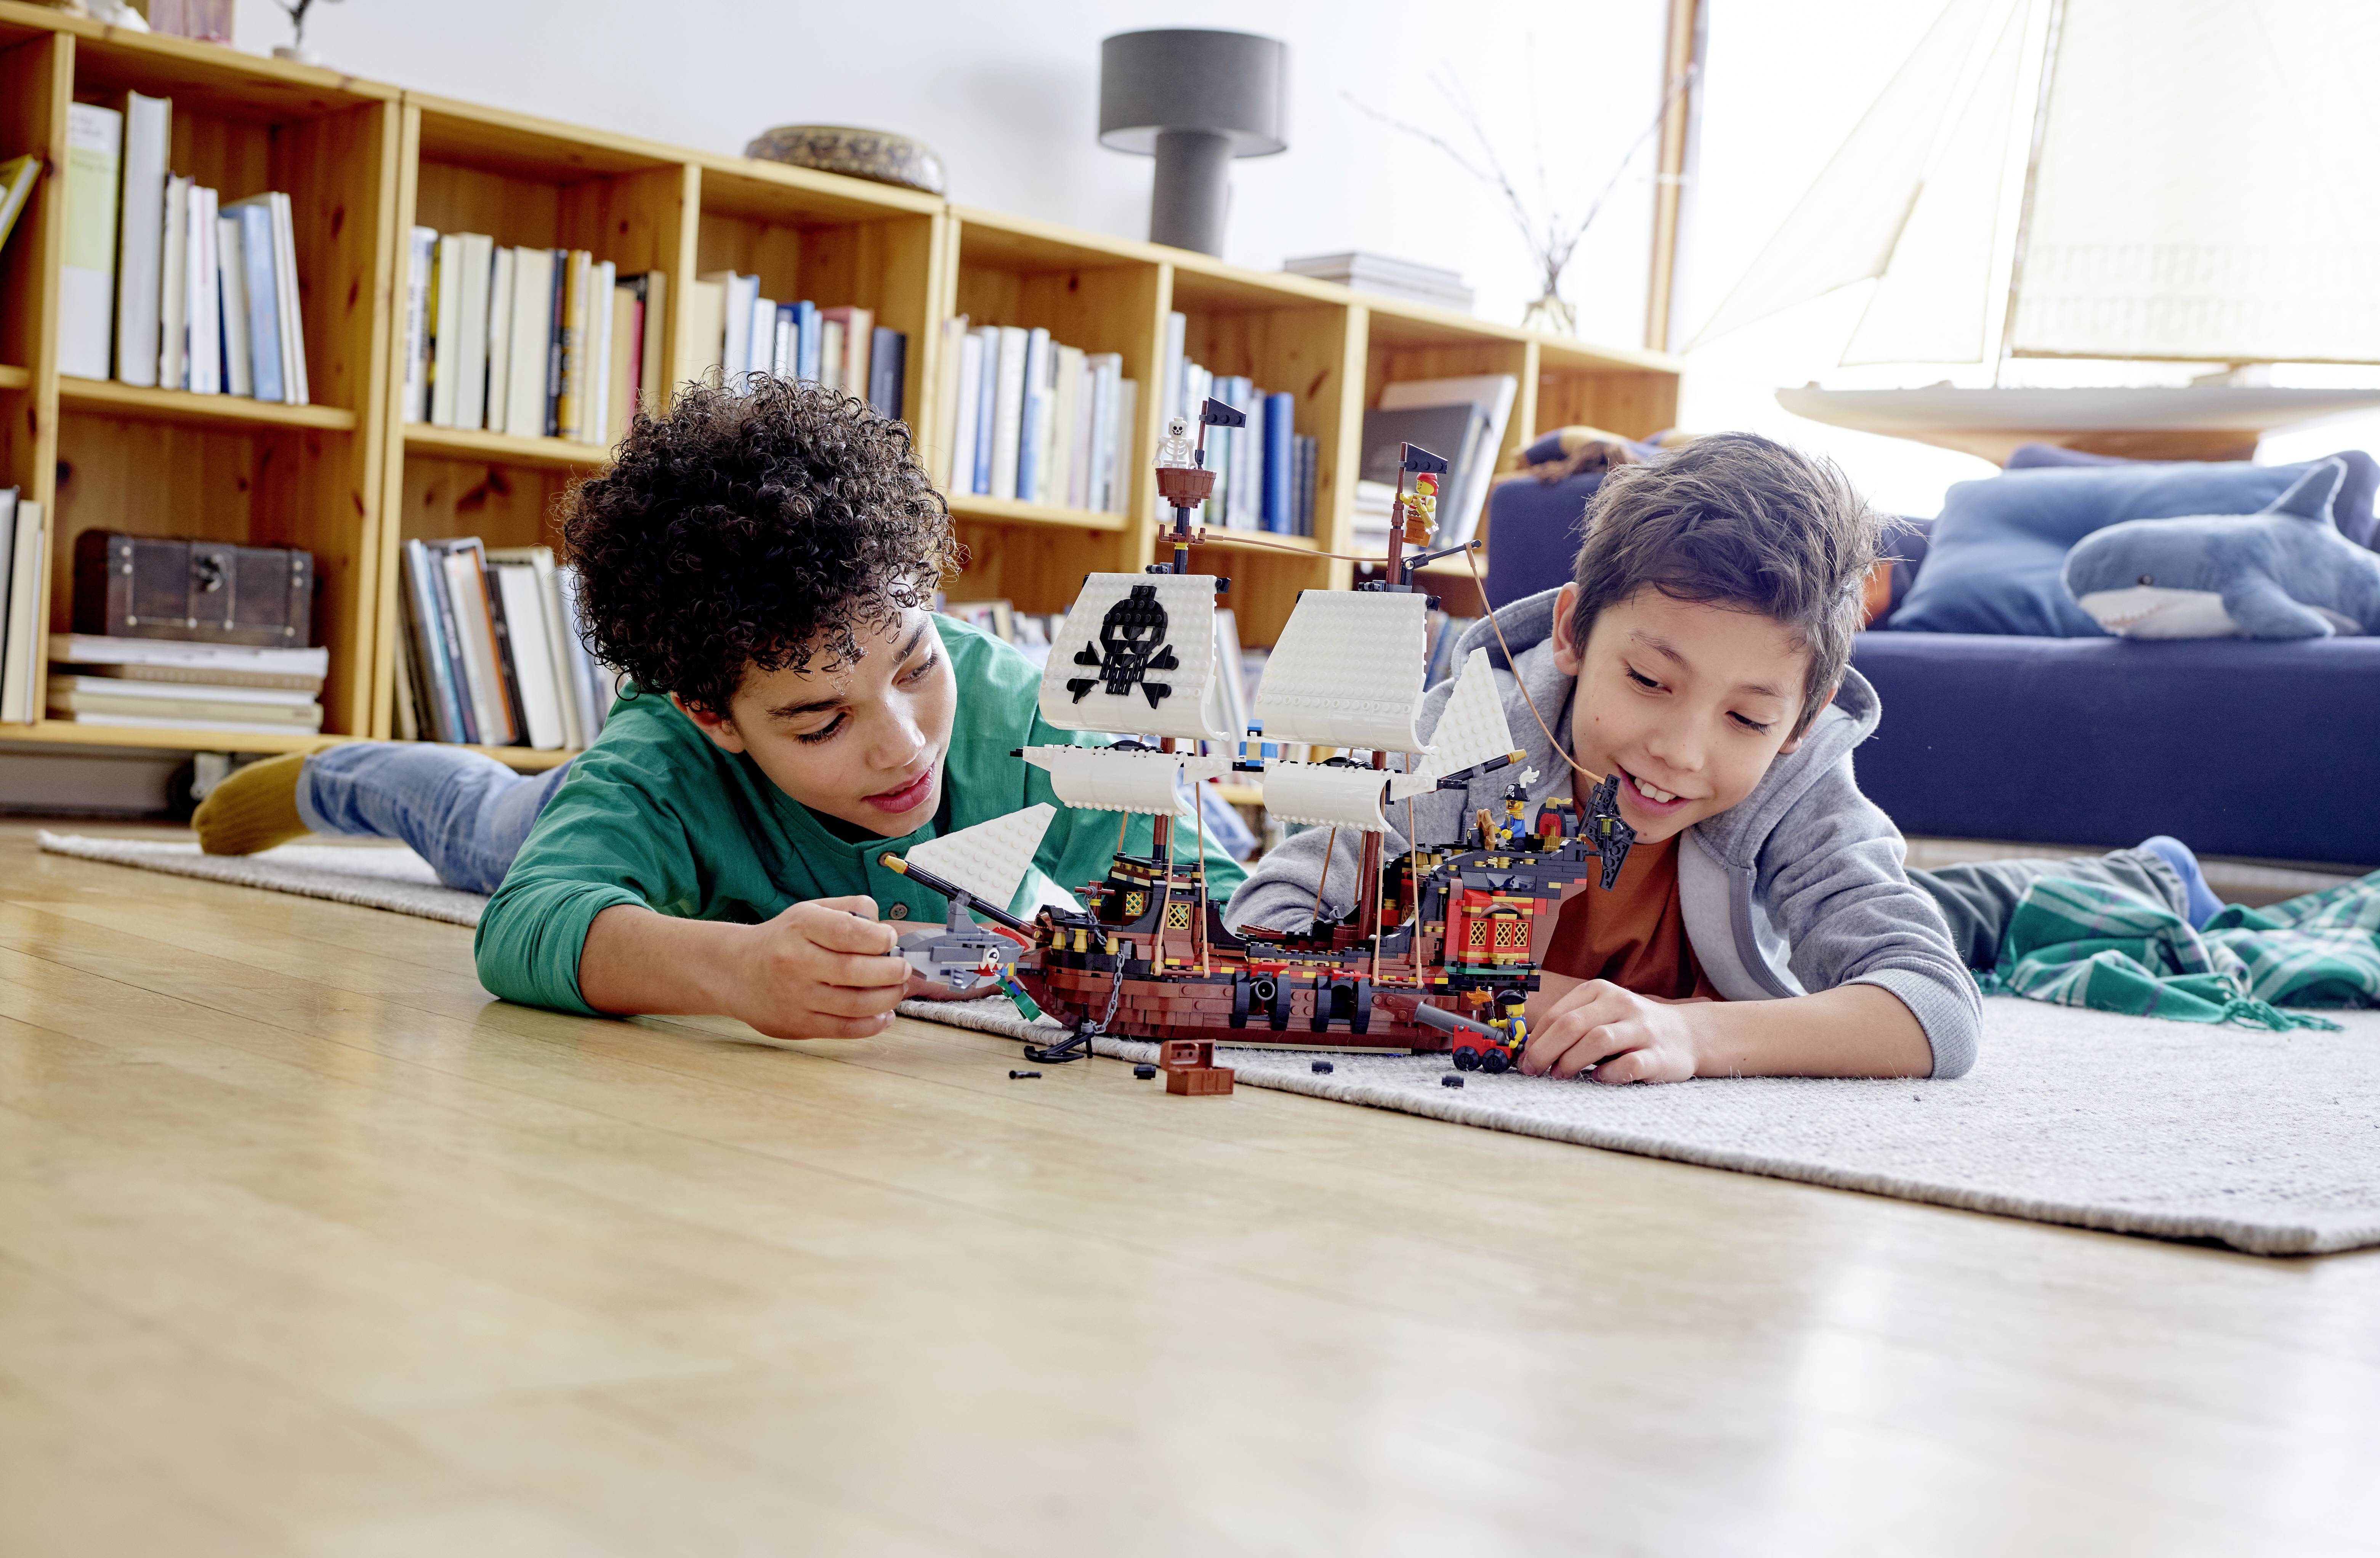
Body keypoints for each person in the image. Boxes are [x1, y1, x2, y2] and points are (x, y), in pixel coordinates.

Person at [190, 377, 1241, 1040]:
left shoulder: (1028, 715)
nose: (903, 745)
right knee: (484, 826)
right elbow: (523, 928)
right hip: (617, 812)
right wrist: (731, 969)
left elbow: (1226, 911)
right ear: (713, 714)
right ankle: (335, 775)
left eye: (918, 664)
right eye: (821, 721)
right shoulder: (664, 754)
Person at [1228, 431, 2216, 1083]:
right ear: (1572, 633)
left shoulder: (1799, 780)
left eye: (1747, 718)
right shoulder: (1473, 734)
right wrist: (1475, 995)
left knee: (1984, 918)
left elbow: (1937, 1011)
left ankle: (2153, 874)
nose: (1681, 750)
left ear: (1800, 723)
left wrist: (1690, 1034)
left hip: (1797, 913)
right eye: (1649, 681)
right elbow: (1266, 920)